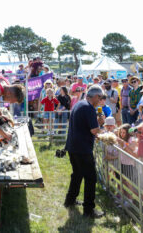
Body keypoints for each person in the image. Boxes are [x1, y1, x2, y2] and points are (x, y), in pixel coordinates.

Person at [64, 85, 105, 218]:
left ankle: (70, 200)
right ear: (96, 96)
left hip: (73, 146)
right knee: (90, 178)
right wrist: (101, 127)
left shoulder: (79, 104)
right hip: (82, 149)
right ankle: (89, 210)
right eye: (101, 98)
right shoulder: (88, 108)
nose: (101, 101)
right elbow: (94, 130)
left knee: (77, 174)